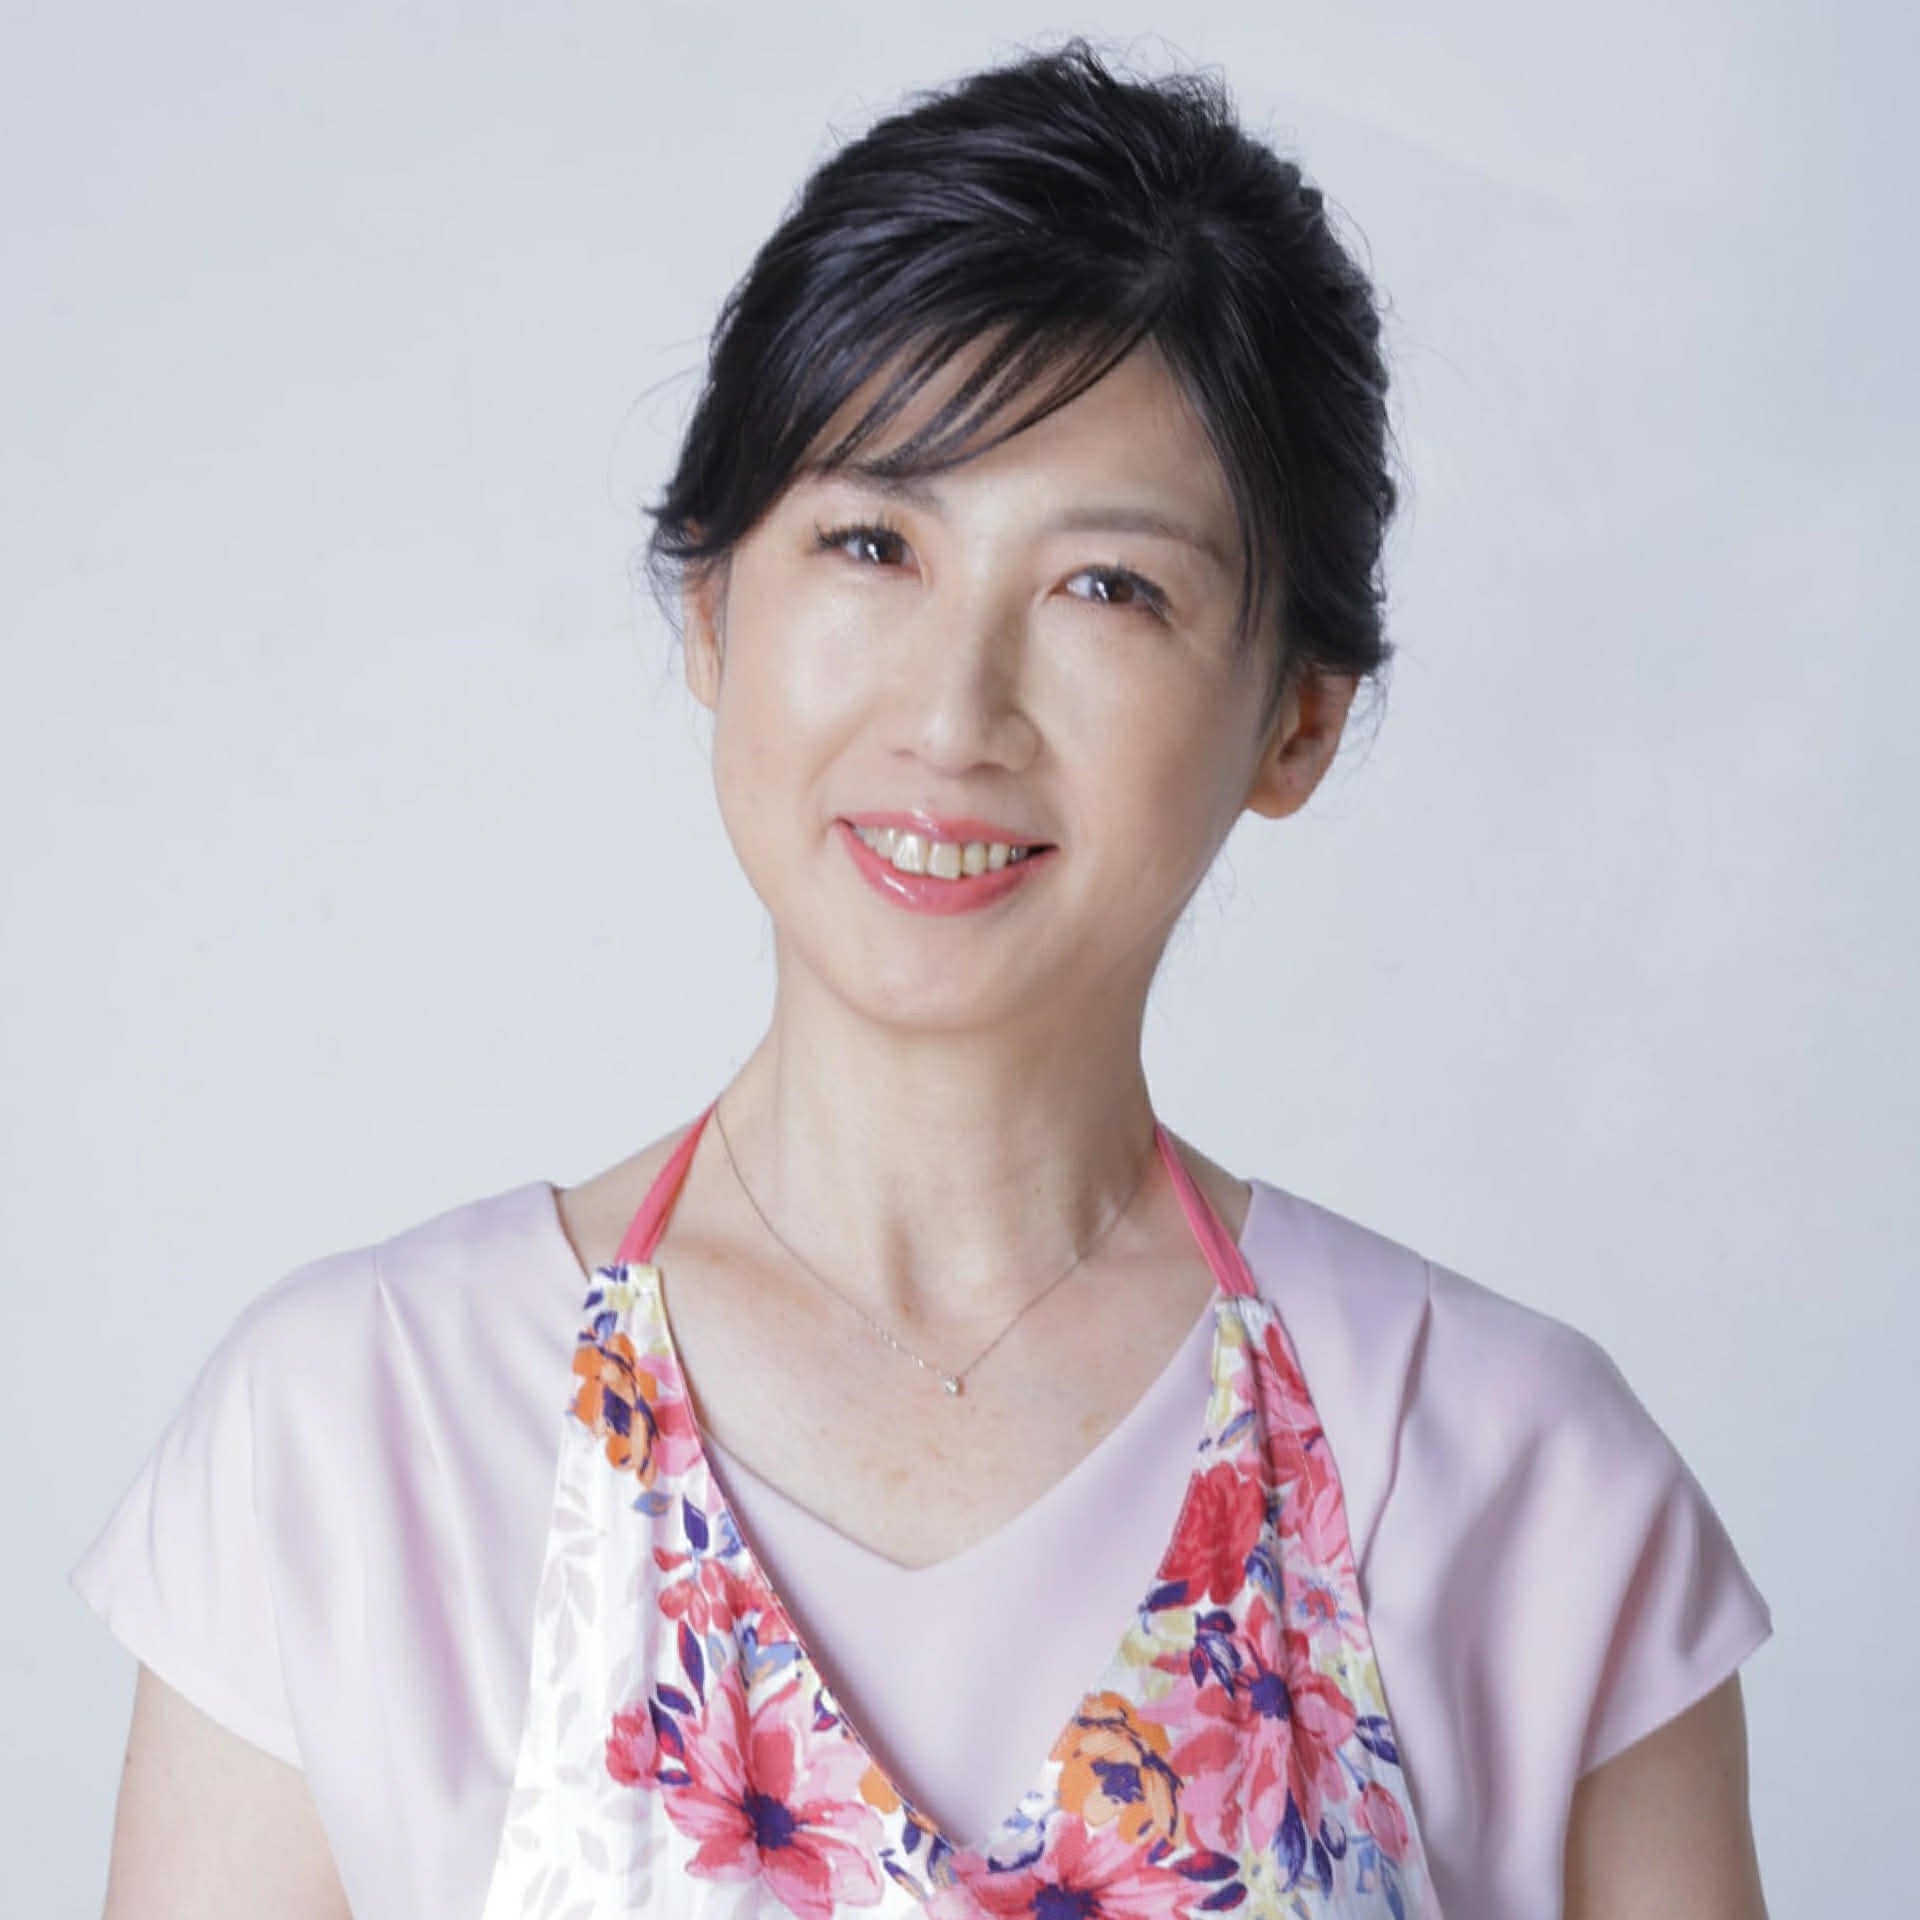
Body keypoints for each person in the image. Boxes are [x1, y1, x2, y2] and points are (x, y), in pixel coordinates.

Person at [71, 39, 1773, 1920]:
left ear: (1296, 718)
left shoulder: (1516, 1482)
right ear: (712, 604)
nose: (956, 716)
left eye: (1108, 587)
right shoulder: (347, 1445)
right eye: (872, 542)